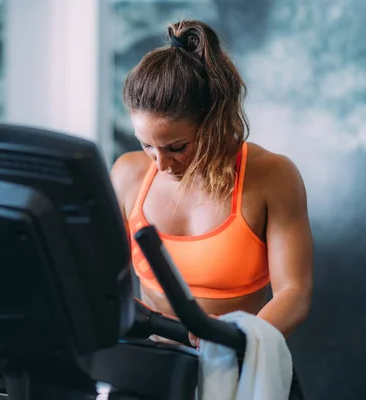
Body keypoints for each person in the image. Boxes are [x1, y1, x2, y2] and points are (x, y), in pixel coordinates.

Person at [111, 19, 312, 395]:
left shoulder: (273, 176)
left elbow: (294, 293)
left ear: (214, 122)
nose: (160, 164)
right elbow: (104, 280)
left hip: (241, 371)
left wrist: (229, 337)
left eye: (176, 147)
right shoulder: (126, 175)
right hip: (150, 372)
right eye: (147, 145)